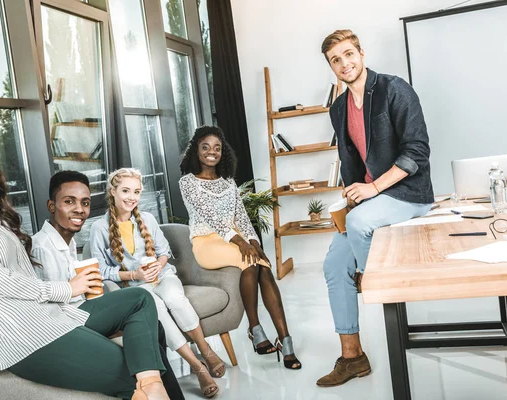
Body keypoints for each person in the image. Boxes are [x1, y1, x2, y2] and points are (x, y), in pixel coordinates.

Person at [0, 121, 169, 400]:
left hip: (47, 315)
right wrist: (68, 289)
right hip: (20, 335)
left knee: (139, 300)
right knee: (135, 369)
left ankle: (152, 387)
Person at [316, 30, 434, 387]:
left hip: (407, 193)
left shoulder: (394, 89)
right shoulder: (338, 107)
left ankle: (379, 285)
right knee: (334, 265)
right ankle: (352, 358)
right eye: (336, 59)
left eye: (349, 54)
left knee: (362, 223)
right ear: (331, 67)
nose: (344, 63)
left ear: (362, 54)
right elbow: (351, 160)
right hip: (368, 198)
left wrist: (372, 189)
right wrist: (350, 196)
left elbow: (417, 152)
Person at [31, 170, 184, 399]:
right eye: (69, 201)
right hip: (66, 323)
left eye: (85, 202)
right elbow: (52, 303)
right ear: (51, 206)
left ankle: (163, 392)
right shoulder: (43, 246)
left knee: (155, 329)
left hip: (80, 311)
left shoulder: (68, 241)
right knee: (139, 299)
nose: (79, 210)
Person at [90, 168, 223, 398]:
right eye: (125, 191)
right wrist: (135, 276)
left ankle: (206, 350)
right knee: (157, 309)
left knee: (174, 298)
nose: (132, 197)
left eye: (137, 192)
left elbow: (164, 252)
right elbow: (100, 270)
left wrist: (158, 266)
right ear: (112, 191)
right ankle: (197, 366)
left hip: (162, 277)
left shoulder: (148, 219)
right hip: (136, 288)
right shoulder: (99, 228)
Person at [179, 125, 301, 370]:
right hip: (207, 242)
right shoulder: (188, 183)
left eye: (217, 148)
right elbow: (211, 217)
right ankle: (255, 328)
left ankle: (284, 339)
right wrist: (242, 244)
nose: (212, 152)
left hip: (235, 238)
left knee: (263, 266)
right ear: (196, 150)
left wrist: (254, 242)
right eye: (206, 147)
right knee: (250, 260)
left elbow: (242, 218)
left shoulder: (228, 182)